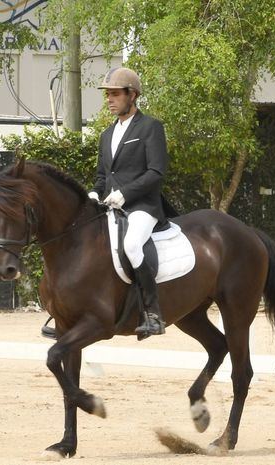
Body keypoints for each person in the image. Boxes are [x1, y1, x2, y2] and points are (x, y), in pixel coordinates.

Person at [89, 67, 168, 339]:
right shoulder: (106, 135)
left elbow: (156, 172)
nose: (109, 99)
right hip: (111, 206)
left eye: (114, 94)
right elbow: (103, 176)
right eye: (107, 95)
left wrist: (125, 194)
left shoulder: (150, 127)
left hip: (142, 206)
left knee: (132, 246)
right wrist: (93, 194)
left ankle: (152, 313)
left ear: (132, 95)